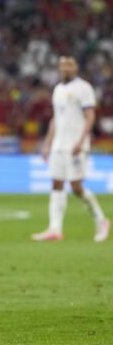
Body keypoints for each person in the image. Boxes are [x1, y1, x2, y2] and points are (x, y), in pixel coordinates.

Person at [32, 56, 110, 242]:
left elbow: (90, 116)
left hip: (75, 145)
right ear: (59, 68)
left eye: (70, 65)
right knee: (56, 183)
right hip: (59, 145)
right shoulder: (58, 89)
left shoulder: (84, 88)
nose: (66, 68)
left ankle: (101, 220)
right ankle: (55, 229)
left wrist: (81, 141)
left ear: (75, 67)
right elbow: (56, 119)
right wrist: (47, 144)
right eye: (63, 65)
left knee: (76, 187)